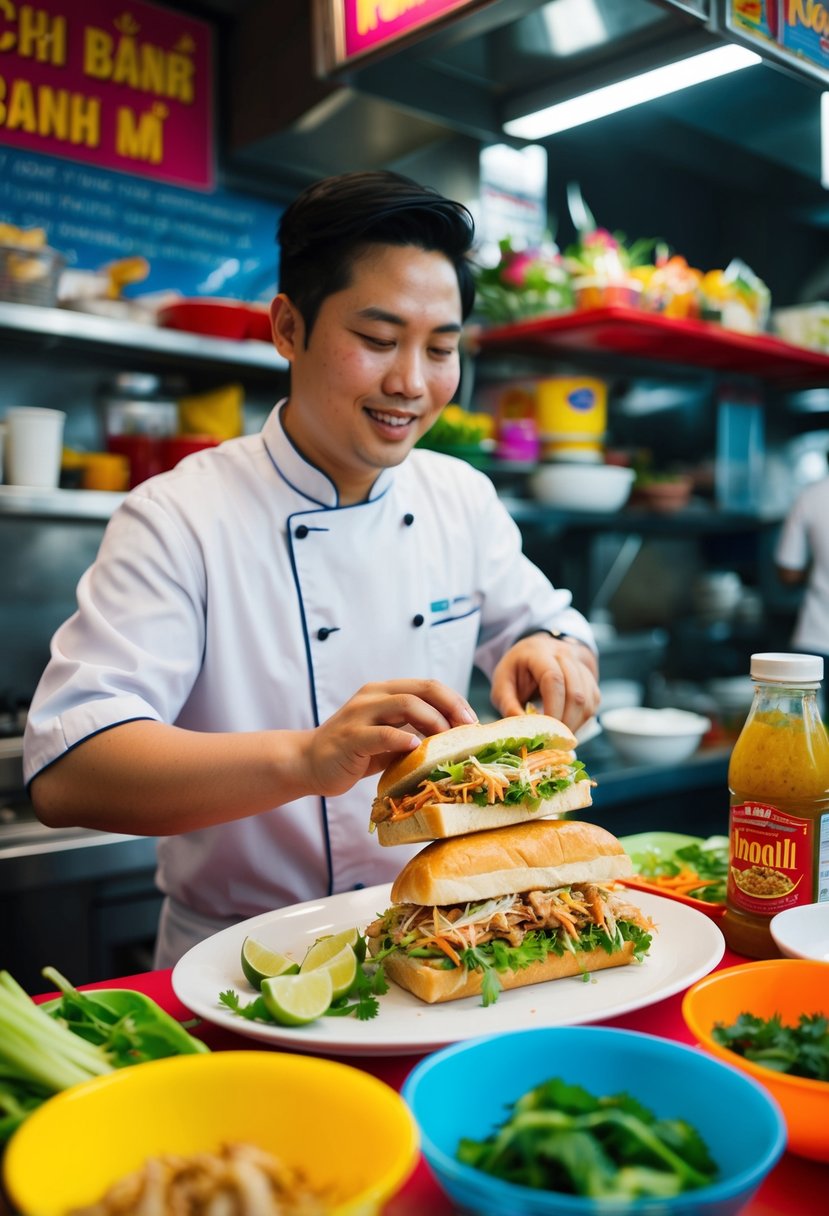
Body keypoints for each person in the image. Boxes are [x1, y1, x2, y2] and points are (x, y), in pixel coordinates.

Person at [23, 170, 599, 967]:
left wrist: (549, 652)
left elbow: (539, 622)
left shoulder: (458, 496)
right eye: (376, 339)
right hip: (240, 959)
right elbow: (68, 771)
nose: (411, 383)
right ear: (288, 327)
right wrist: (305, 759)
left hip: (440, 942)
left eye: (440, 348)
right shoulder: (177, 515)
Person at [775, 466, 829, 672]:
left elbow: (789, 573)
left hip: (818, 634)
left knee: (807, 703)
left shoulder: (811, 495)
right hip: (816, 639)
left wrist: (816, 571)